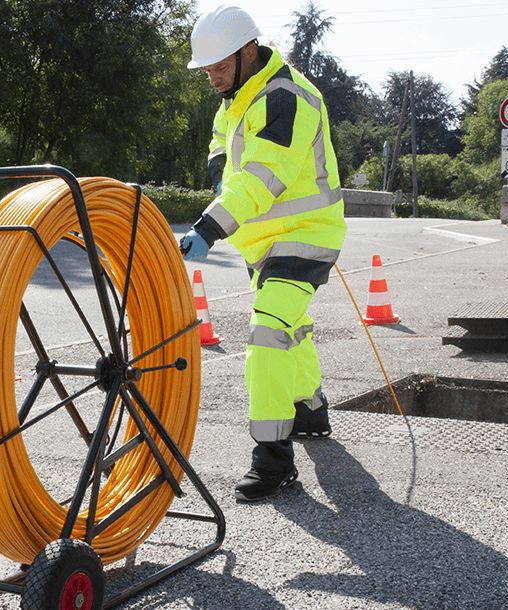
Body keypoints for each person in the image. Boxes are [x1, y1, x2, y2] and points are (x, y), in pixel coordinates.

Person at [179, 5, 347, 502]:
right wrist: (219, 172)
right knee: (290, 324)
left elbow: (262, 175)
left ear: (249, 51)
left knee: (268, 331)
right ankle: (309, 409)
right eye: (207, 70)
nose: (213, 78)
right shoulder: (238, 96)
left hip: (305, 235)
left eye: (220, 67)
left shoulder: (285, 98)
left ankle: (273, 458)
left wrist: (210, 227)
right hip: (266, 241)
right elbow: (222, 143)